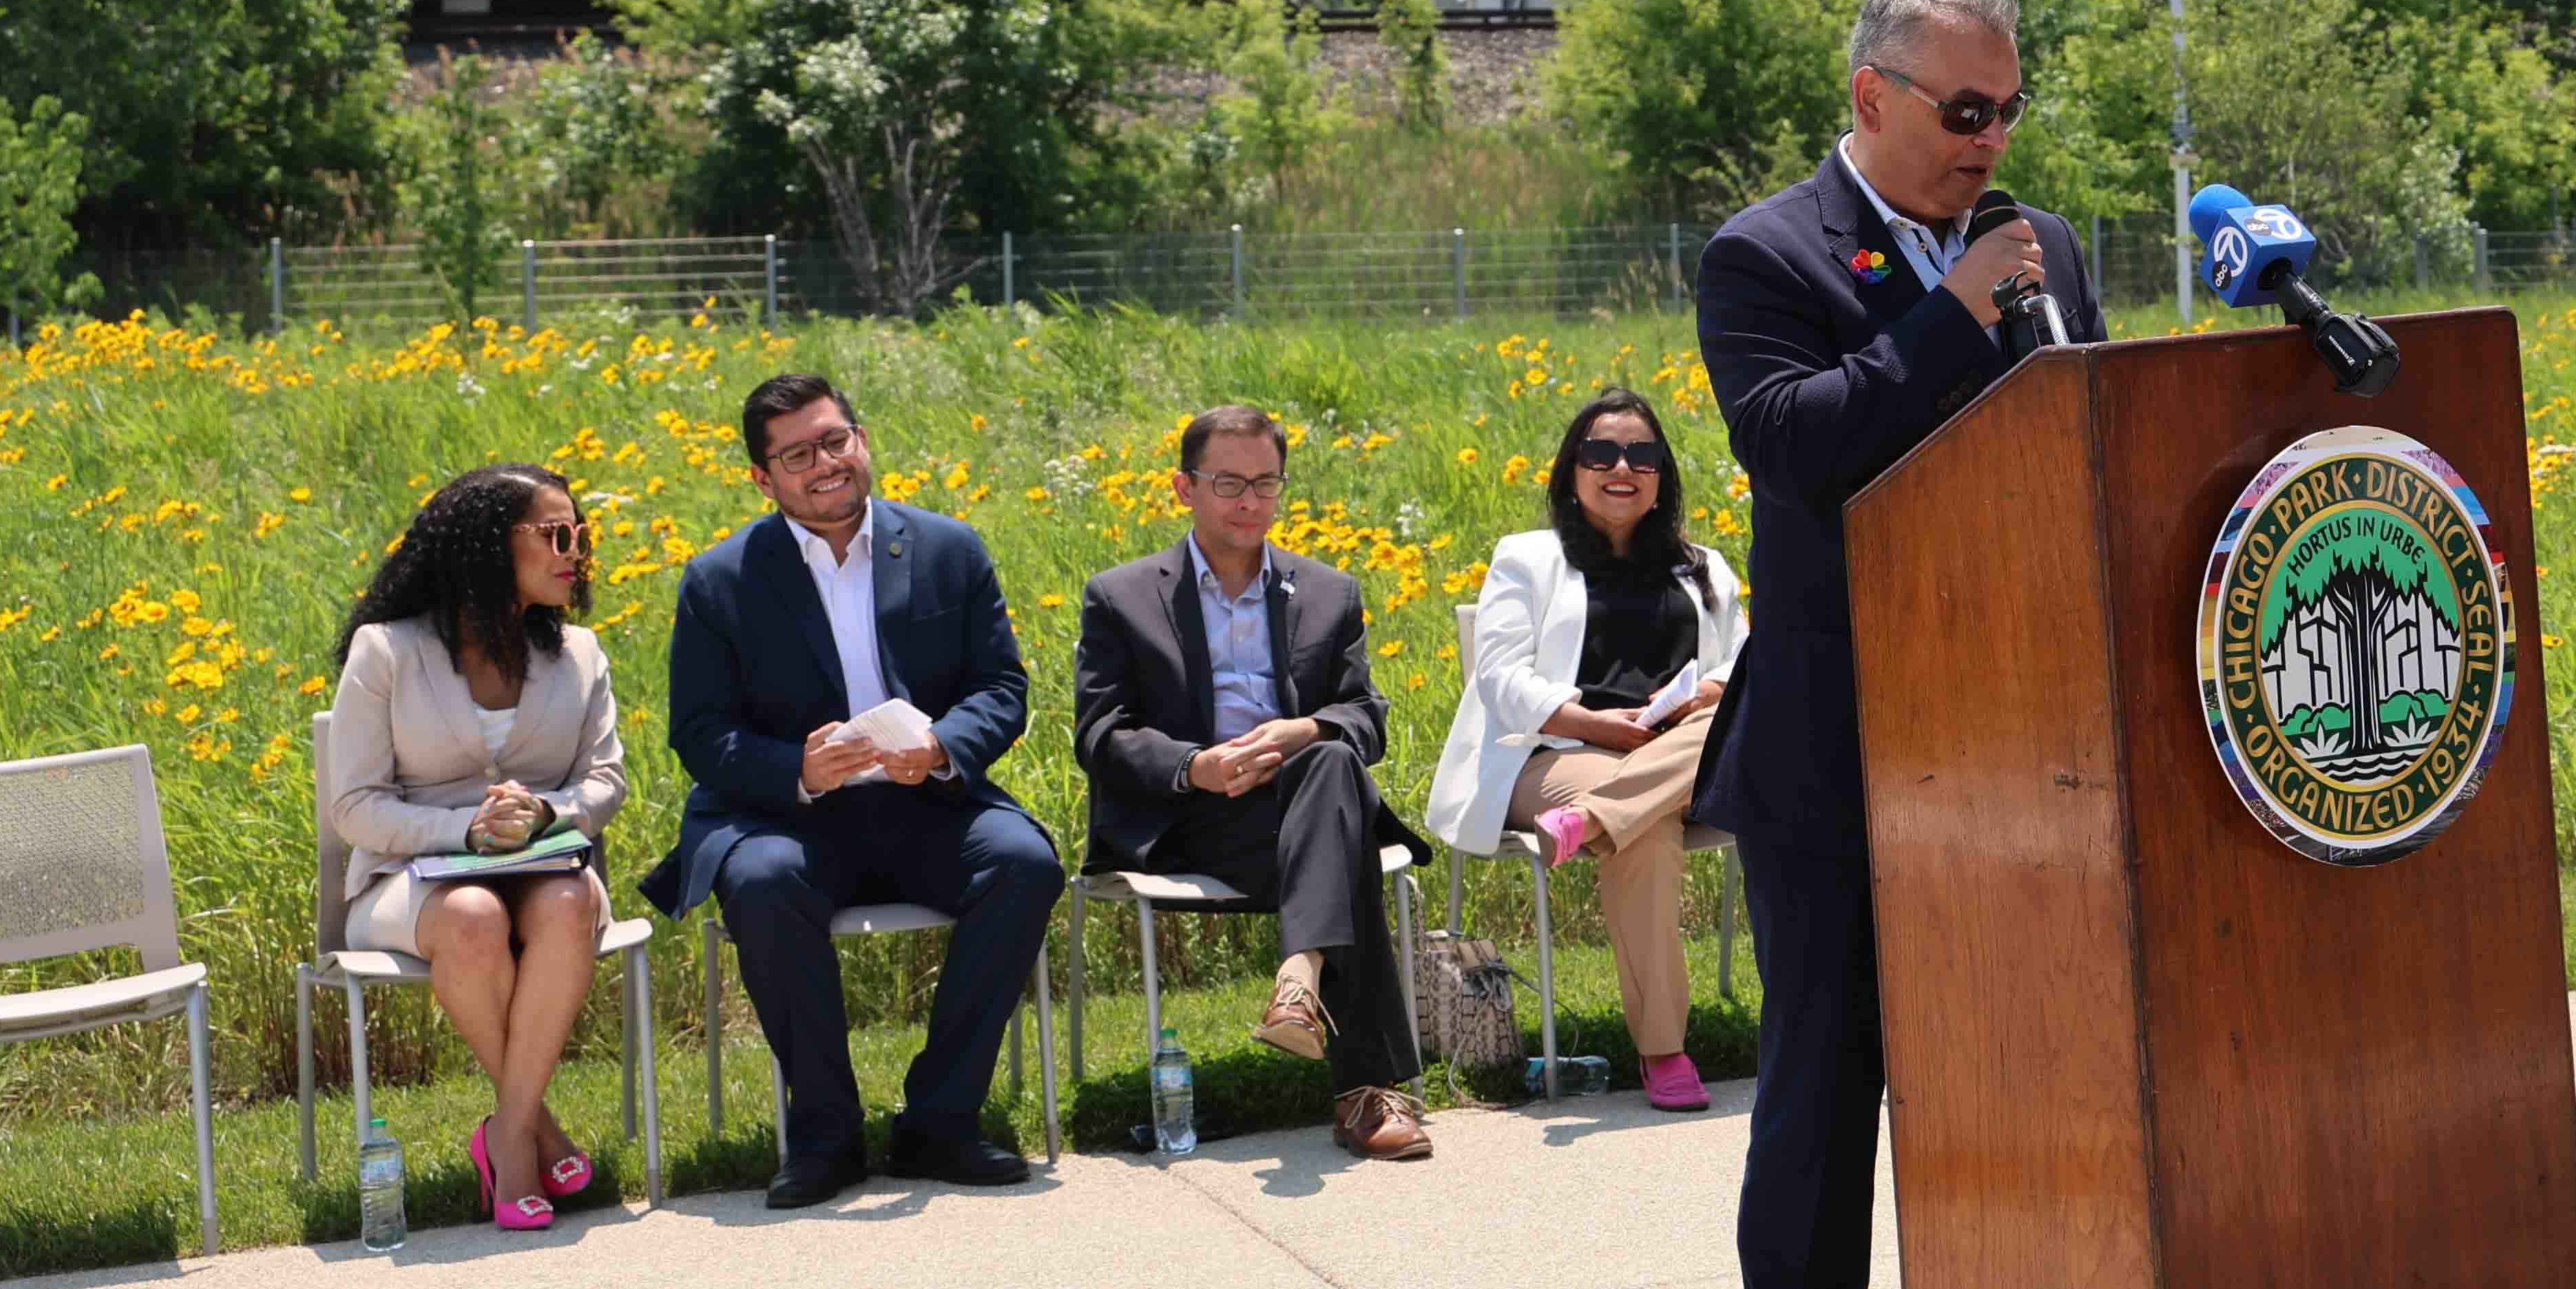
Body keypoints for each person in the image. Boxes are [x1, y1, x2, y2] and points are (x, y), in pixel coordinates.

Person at [1690, 0, 2102, 1289]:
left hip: (2025, 758)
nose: (1991, 141)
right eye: (1962, 110)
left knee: (2012, 1088)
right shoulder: (1767, 253)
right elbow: (1798, 444)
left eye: (2008, 109)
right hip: (1837, 768)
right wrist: (1947, 313)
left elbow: (2084, 442)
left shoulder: (2050, 247)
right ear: (1871, 97)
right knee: (1824, 1101)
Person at [638, 374, 1064, 1210]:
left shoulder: (949, 548)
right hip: (791, 818)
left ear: (861, 440)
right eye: (798, 454)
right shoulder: (719, 579)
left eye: (836, 440)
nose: (825, 464)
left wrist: (944, 746)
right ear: (763, 479)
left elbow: (1001, 688)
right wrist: (795, 769)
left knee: (1023, 861)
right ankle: (826, 1135)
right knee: (760, 882)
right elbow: (701, 731)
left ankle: (939, 1121)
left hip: (928, 804)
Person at [1073, 403, 1435, 1161]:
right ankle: (1368, 1094)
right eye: (1228, 482)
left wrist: (1307, 729)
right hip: (1195, 817)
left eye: (1266, 484)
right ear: (1184, 487)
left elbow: (1367, 716)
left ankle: (1300, 979)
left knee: (1331, 757)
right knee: (1344, 844)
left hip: (1306, 803)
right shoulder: (1123, 596)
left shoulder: (1328, 591)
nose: (1249, 501)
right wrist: (1192, 765)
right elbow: (1100, 734)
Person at [1424, 385, 1746, 1114]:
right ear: (1572, 469)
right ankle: (1665, 1050)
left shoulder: (1707, 567)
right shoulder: (1529, 559)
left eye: (1642, 454)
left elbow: (1745, 664)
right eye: (1601, 452)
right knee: (1648, 833)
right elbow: (1502, 677)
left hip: (1679, 747)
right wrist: (1602, 726)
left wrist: (1703, 694)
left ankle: (1595, 818)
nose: (1621, 467)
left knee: (1731, 724)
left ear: (1663, 474)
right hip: (1561, 749)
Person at [326, 464, 629, 1231]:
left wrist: (544, 811)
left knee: (567, 902)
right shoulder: (386, 651)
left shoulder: (581, 653)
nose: (575, 553)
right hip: (408, 882)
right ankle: (533, 1138)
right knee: (471, 916)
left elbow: (606, 782)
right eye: (556, 535)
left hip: (545, 864)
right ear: (492, 546)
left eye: (580, 535)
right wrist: (461, 830)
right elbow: (353, 806)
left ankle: (507, 1137)